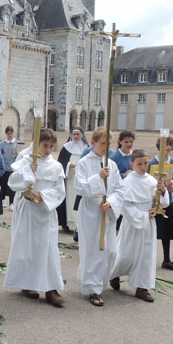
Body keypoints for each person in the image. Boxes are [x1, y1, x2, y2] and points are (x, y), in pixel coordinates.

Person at [4, 128, 66, 306]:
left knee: (49, 249)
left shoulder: (56, 166)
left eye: (51, 146)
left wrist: (43, 196)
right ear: (36, 143)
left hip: (45, 210)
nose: (48, 150)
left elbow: (60, 191)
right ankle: (27, 283)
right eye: (45, 145)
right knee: (28, 247)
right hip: (28, 210)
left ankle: (51, 288)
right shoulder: (25, 160)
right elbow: (12, 183)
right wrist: (27, 171)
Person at [110, 149, 169, 302]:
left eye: (145, 163)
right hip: (132, 223)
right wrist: (142, 216)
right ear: (132, 164)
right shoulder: (127, 182)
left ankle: (142, 287)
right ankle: (114, 274)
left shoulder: (152, 181)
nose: (143, 167)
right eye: (139, 164)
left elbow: (163, 203)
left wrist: (162, 191)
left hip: (148, 223)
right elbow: (125, 205)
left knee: (146, 256)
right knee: (126, 254)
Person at [75, 127, 124, 307]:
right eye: (103, 144)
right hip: (91, 211)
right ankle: (92, 288)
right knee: (93, 250)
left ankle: (100, 280)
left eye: (108, 144)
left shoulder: (112, 164)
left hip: (106, 211)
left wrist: (110, 202)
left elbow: (119, 189)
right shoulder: (84, 163)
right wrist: (98, 177)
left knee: (110, 251)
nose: (106, 147)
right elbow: (79, 187)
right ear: (93, 143)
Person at [148, 136, 173, 271]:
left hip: (168, 200)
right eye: (165, 144)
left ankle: (166, 259)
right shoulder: (152, 163)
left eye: (170, 145)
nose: (167, 147)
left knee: (166, 231)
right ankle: (148, 259)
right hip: (154, 200)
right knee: (152, 231)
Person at [57, 126, 89, 238]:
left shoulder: (86, 148)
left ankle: (79, 223)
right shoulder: (66, 148)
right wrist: (68, 165)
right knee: (69, 200)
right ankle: (66, 222)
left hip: (81, 179)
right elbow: (60, 163)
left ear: (82, 135)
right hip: (70, 178)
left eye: (78, 134)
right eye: (74, 134)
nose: (75, 136)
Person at [0, 125, 20, 212]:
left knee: (12, 187)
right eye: (8, 134)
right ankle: (3, 200)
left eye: (11, 133)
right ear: (6, 134)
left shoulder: (17, 143)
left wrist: (17, 154)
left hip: (13, 168)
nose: (10, 135)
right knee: (3, 185)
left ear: (13, 133)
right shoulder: (2, 144)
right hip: (4, 168)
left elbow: (21, 156)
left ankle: (11, 203)